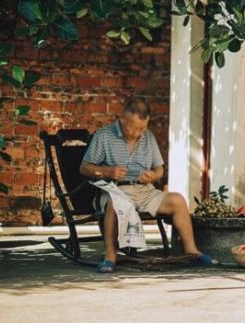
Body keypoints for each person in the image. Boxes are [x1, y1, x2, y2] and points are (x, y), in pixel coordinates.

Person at [80, 98, 214, 273]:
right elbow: (84, 168)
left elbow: (159, 168)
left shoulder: (148, 137)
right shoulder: (104, 136)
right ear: (122, 118)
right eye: (133, 127)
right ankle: (110, 257)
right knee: (115, 205)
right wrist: (107, 171)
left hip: (145, 190)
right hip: (116, 190)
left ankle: (191, 251)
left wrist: (153, 175)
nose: (137, 133)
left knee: (178, 200)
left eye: (142, 128)